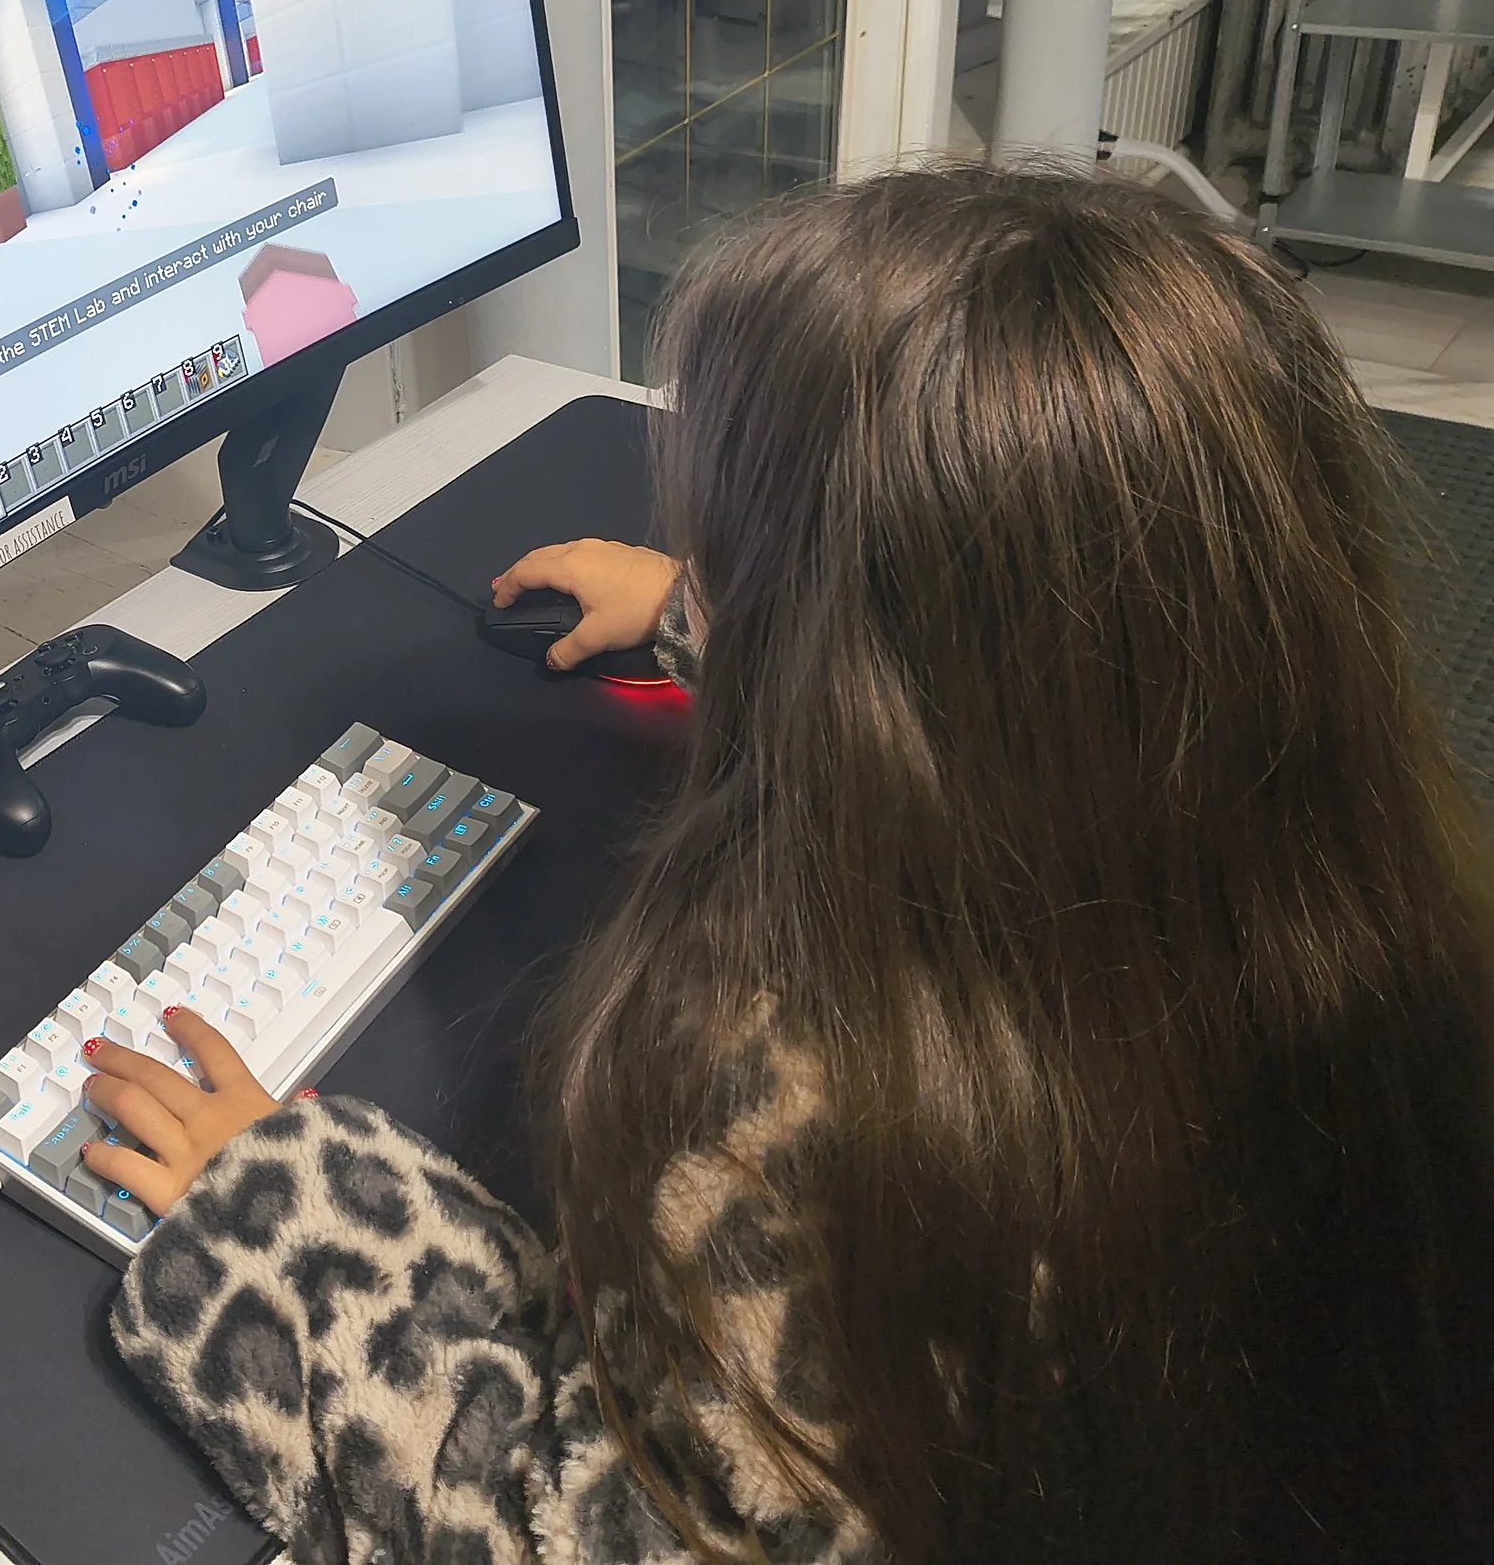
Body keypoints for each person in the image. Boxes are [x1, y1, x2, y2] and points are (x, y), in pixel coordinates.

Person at [79, 164, 1494, 1564]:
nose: (694, 558)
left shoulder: (848, 1121)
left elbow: (568, 1541)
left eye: (735, 549)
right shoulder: (1337, 913)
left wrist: (291, 1234)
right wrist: (735, 618)